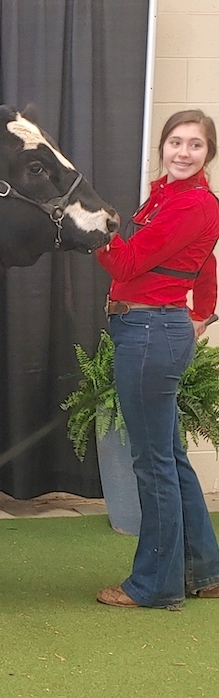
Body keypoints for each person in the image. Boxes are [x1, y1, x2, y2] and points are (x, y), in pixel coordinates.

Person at [95, 108, 219, 608]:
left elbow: (125, 260)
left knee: (154, 465)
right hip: (153, 328)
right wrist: (200, 314)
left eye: (195, 145)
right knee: (170, 457)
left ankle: (155, 585)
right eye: (176, 142)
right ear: (163, 146)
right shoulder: (168, 196)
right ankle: (204, 570)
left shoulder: (191, 205)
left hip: (148, 332)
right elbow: (206, 264)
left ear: (208, 154)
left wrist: (93, 230)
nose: (183, 152)